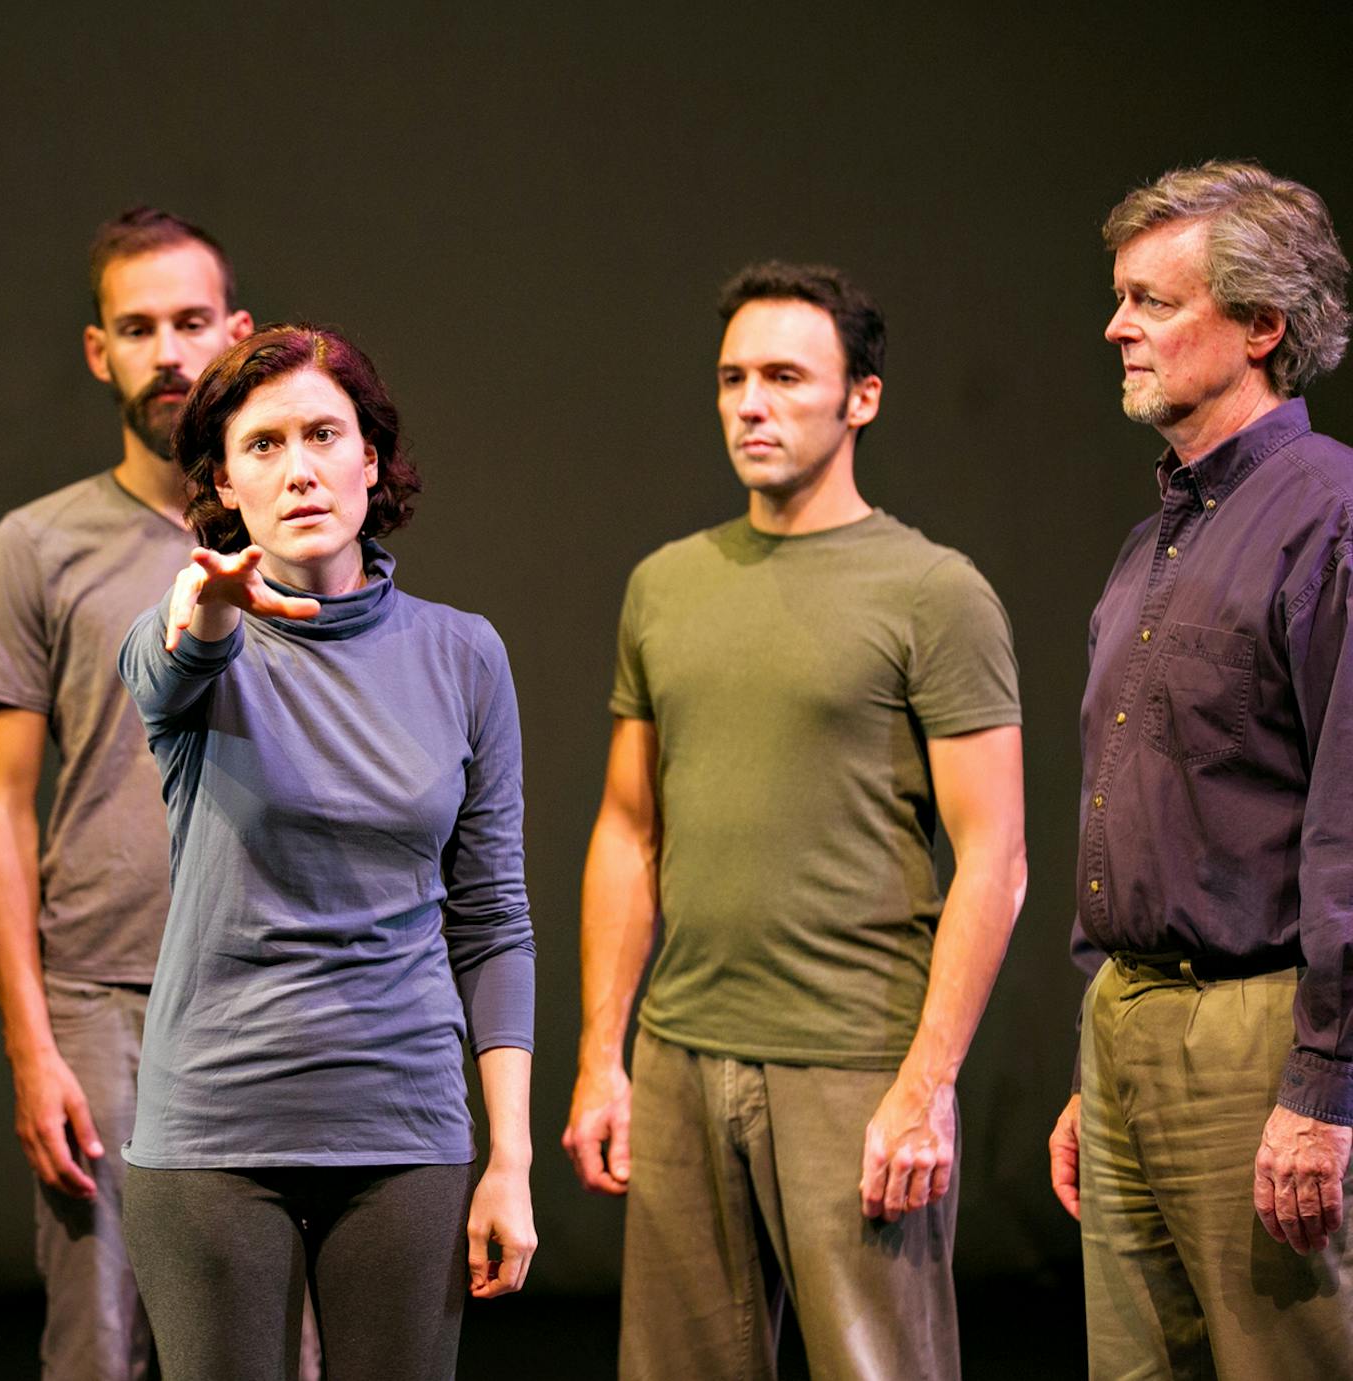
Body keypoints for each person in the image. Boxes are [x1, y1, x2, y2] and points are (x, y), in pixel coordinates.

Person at [563, 263, 1027, 1380]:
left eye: (784, 377)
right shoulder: (666, 583)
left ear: (862, 397)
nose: (751, 405)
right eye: (733, 379)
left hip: (852, 1063)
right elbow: (628, 829)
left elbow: (995, 857)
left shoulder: (934, 591)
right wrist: (601, 1058)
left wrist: (925, 1084)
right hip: (681, 1053)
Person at [116, 323, 538, 1381]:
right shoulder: (189, 635)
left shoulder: (463, 653)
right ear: (224, 482)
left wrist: (513, 1158)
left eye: (323, 434)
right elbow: (171, 665)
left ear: (371, 460)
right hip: (216, 1130)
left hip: (404, 1127)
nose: (298, 468)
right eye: (263, 445)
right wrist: (211, 605)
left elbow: (493, 917)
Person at [1045, 160, 1353, 1377]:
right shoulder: (1152, 545)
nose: (1116, 327)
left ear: (1262, 325)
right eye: (1119, 296)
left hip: (1257, 1031)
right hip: (1130, 1024)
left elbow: (1348, 823)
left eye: (1153, 301)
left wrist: (1324, 1085)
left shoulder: (1330, 516)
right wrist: (1099, 1058)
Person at [0, 207, 263, 1380]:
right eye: (138, 328)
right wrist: (31, 1045)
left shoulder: (295, 529)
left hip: (271, 985)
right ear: (99, 351)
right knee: (99, 1338)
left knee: (271, 1337)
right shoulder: (39, 544)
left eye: (191, 321)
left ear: (236, 332)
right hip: (101, 993)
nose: (168, 352)